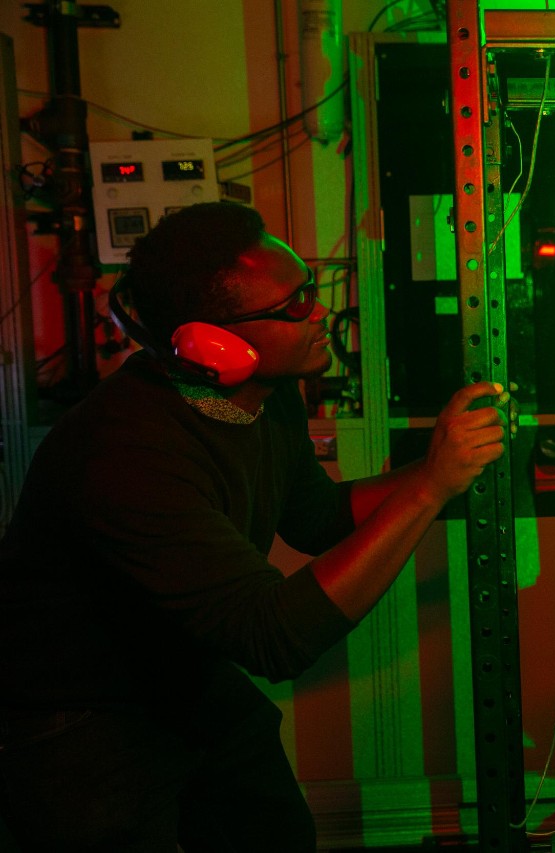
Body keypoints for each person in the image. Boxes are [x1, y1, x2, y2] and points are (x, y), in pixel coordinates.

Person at [0, 202, 510, 851]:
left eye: (311, 292)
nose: (320, 311)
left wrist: (447, 470)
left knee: (272, 831)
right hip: (73, 714)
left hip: (176, 680)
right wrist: (431, 485)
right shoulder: (126, 455)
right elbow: (276, 636)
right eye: (295, 305)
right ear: (211, 343)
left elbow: (319, 518)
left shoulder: (264, 402)